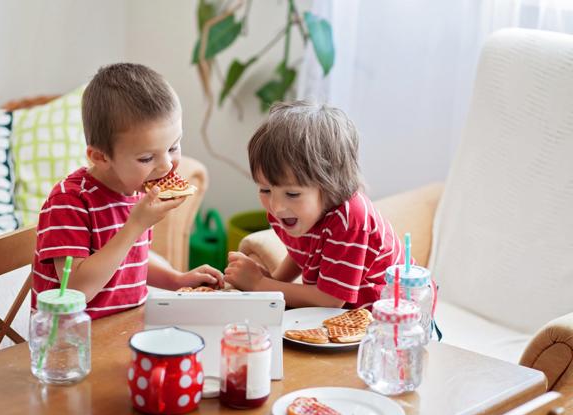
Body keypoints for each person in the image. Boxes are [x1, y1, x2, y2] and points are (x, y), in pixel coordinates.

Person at [32, 63, 223, 319]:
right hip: (74, 340)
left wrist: (176, 279)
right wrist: (135, 225)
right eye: (146, 158)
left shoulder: (136, 189)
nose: (166, 165)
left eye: (173, 146)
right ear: (100, 157)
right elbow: (75, 290)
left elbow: (133, 258)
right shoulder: (69, 202)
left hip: (126, 328)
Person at [225, 100, 407, 310]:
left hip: (386, 321)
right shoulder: (292, 211)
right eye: (265, 190)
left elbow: (330, 300)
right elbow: (302, 252)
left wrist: (261, 284)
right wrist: (274, 282)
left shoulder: (350, 219)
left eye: (292, 193)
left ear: (330, 186)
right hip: (335, 320)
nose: (275, 207)